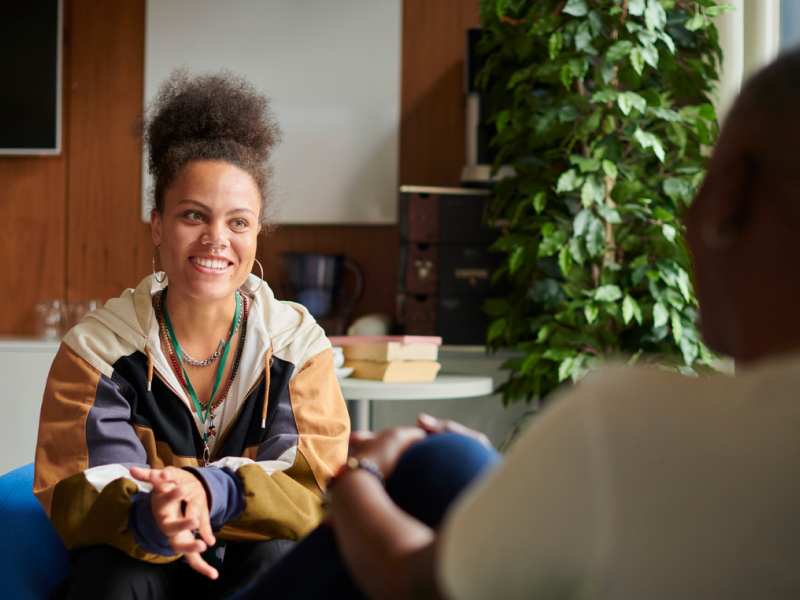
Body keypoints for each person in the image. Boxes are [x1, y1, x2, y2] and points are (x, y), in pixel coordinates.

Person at [238, 50, 800, 599]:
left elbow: (406, 578)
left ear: (730, 194)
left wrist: (358, 471)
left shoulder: (634, 421)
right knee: (456, 461)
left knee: (435, 460)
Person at [33, 70, 350, 599]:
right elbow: (73, 488)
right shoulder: (96, 351)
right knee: (114, 579)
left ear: (257, 231)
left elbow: (315, 486)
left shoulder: (298, 346)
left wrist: (213, 490)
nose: (216, 240)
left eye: (238, 223)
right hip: (142, 551)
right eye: (193, 216)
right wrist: (155, 511)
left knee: (278, 558)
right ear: (158, 226)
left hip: (254, 549)